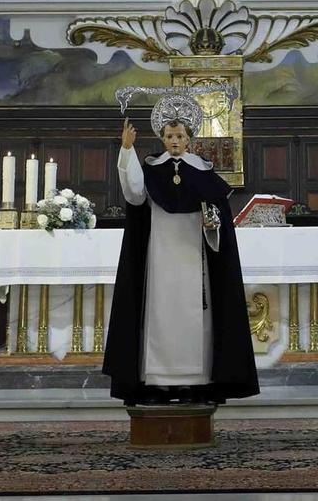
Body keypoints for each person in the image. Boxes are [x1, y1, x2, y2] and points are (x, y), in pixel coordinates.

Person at [102, 96, 260, 407]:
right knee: (160, 313)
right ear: (162, 139)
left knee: (194, 318)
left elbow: (216, 217)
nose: (175, 141)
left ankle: (195, 383)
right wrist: (126, 150)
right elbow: (134, 196)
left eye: (180, 136)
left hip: (193, 258)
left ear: (189, 140)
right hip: (159, 257)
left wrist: (211, 226)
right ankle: (158, 383)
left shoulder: (202, 171)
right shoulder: (151, 169)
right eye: (170, 136)